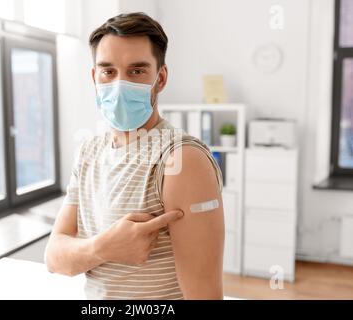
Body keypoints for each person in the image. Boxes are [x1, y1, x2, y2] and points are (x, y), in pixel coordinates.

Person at [44, 12, 225, 300]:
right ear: (95, 77)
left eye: (137, 71)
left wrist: (87, 251)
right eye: (108, 71)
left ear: (160, 78)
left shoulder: (181, 159)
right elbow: (55, 259)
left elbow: (204, 296)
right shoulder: (89, 152)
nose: (119, 84)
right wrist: (106, 246)